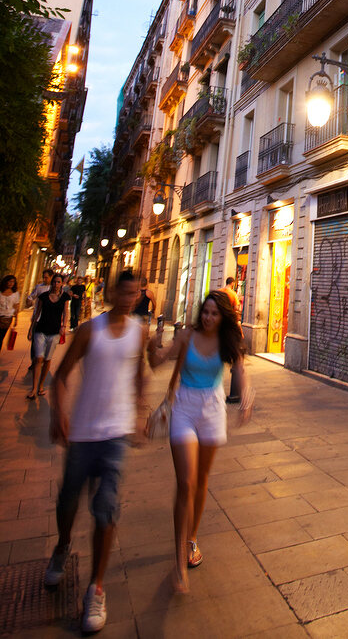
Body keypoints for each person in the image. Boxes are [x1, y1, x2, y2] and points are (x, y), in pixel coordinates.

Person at [45, 271, 146, 634]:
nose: (129, 298)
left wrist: (139, 412)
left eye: (135, 293)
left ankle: (96, 588)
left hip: (116, 434)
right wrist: (60, 413)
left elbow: (139, 374)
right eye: (125, 291)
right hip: (84, 432)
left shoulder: (139, 331)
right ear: (113, 290)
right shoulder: (90, 330)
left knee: (106, 507)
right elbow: (61, 375)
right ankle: (62, 545)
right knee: (68, 501)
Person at [148, 290, 252, 593]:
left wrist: (246, 396)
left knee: (202, 478)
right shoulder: (187, 336)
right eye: (205, 312)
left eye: (214, 313)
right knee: (186, 482)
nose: (208, 317)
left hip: (212, 408)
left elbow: (241, 368)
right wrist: (151, 343)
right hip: (184, 407)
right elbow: (157, 361)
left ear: (223, 317)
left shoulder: (228, 340)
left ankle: (192, 538)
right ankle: (180, 559)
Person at [28, 273, 68, 399]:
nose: (56, 284)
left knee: (47, 359)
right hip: (40, 330)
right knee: (38, 358)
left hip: (55, 332)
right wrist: (31, 328)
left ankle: (41, 385)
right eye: (54, 282)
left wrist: (64, 326)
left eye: (58, 282)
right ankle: (34, 388)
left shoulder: (65, 297)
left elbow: (66, 313)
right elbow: (37, 313)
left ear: (62, 284)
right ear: (52, 283)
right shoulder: (43, 296)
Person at [0, 275, 20, 349]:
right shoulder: (0, 292)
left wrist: (16, 319)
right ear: (6, 282)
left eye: (13, 282)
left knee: (1, 336)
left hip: (7, 318)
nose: (11, 283)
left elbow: (16, 307)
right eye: (10, 281)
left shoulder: (15, 294)